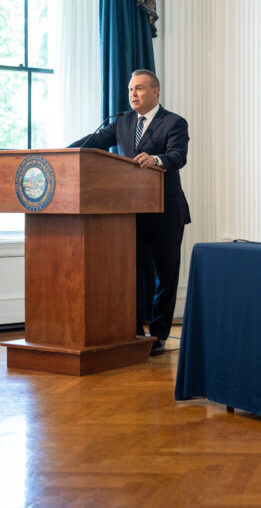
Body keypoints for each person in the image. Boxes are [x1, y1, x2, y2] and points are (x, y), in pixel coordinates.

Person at [70, 69, 191, 355]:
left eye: (138, 89)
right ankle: (132, 332)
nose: (132, 95)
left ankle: (159, 335)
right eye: (130, 90)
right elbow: (94, 142)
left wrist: (156, 159)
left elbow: (178, 156)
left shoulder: (174, 122)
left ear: (155, 92)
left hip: (165, 211)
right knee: (128, 274)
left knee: (165, 275)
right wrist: (61, 153)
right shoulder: (122, 122)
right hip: (129, 213)